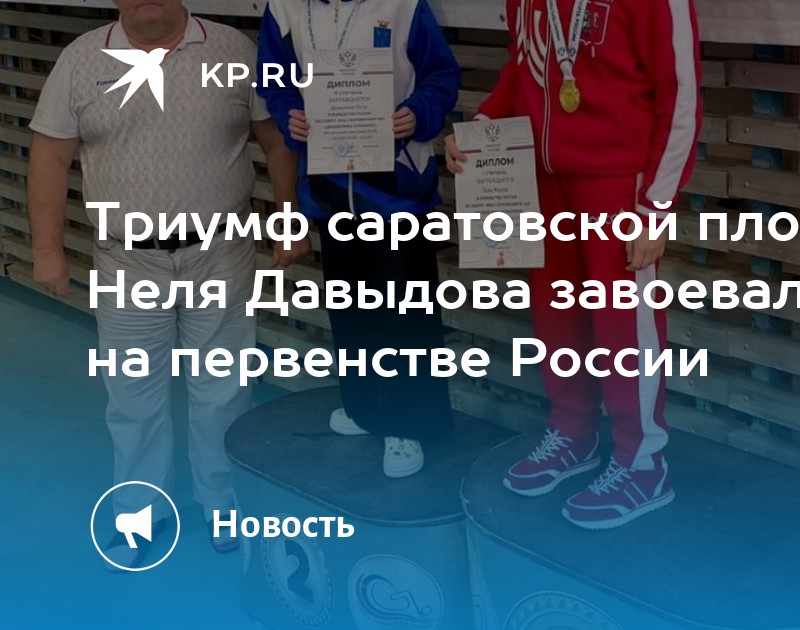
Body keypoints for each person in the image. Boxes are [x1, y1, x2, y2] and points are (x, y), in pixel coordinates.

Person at [28, 0, 301, 567]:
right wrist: (47, 250)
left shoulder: (232, 50)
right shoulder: (81, 59)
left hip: (219, 251)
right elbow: (51, 156)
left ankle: (222, 504)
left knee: (223, 388)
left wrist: (289, 217)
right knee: (132, 397)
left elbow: (276, 140)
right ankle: (139, 512)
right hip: (127, 260)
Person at [446, 0, 702, 529]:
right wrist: (484, 123)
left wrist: (655, 206)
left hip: (618, 182)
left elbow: (680, 94)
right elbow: (522, 64)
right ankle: (573, 432)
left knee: (623, 326)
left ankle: (643, 461)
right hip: (541, 180)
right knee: (556, 317)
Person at [255, 0, 461, 478]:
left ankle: (409, 423)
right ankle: (366, 406)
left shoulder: (404, 5)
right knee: (351, 308)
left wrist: (418, 113)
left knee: (406, 315)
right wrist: (290, 114)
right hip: (331, 188)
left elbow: (441, 75)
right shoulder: (283, 9)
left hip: (398, 190)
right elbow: (274, 79)